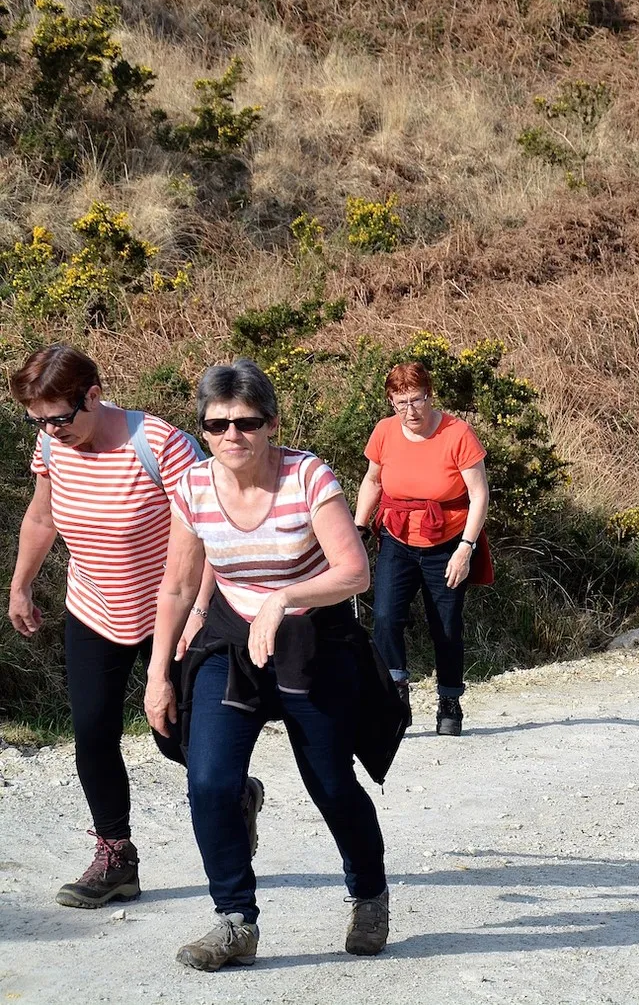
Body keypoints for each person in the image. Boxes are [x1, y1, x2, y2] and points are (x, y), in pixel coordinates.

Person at [144, 359, 393, 970]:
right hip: (232, 642)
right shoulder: (193, 486)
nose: (232, 435)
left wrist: (283, 599)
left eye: (247, 422)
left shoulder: (307, 476)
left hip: (313, 641)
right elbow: (176, 586)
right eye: (217, 424)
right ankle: (235, 922)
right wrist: (157, 675)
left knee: (330, 784)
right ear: (204, 429)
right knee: (209, 781)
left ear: (272, 424)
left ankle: (368, 894)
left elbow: (354, 572)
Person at [6, 344, 263, 910]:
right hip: (95, 609)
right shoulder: (52, 444)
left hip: (173, 614)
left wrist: (200, 613)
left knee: (174, 738)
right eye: (38, 421)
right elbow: (43, 515)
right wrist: (21, 584)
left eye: (59, 418)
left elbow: (208, 531)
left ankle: (234, 795)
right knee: (93, 734)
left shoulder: (159, 445)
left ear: (94, 396)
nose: (50, 430)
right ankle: (116, 856)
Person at [353, 362, 490, 736]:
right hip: (397, 537)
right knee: (385, 618)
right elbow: (372, 481)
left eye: (417, 400)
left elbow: (479, 495)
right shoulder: (384, 432)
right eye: (401, 402)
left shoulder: (457, 433)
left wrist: (465, 549)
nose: (410, 410)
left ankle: (449, 701)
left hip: (447, 542)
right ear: (390, 402)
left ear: (430, 395)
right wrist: (358, 528)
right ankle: (396, 696)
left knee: (445, 626)